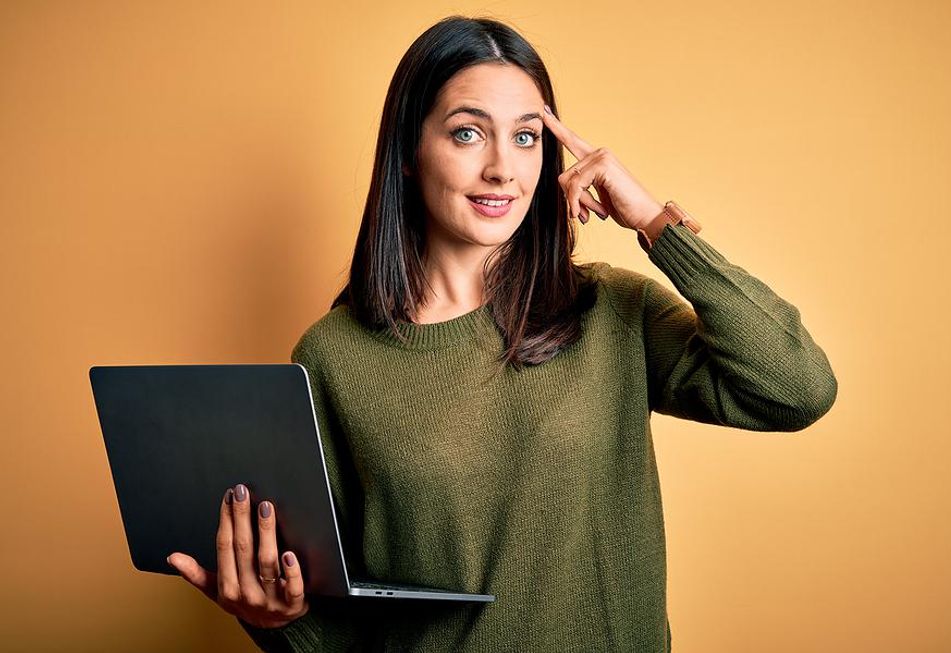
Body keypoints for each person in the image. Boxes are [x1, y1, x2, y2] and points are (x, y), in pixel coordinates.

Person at [166, 15, 838, 652]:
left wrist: (655, 224)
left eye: (526, 137)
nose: (503, 170)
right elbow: (349, 622)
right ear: (407, 151)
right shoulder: (333, 356)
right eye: (467, 133)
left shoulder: (610, 308)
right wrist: (279, 620)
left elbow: (797, 387)